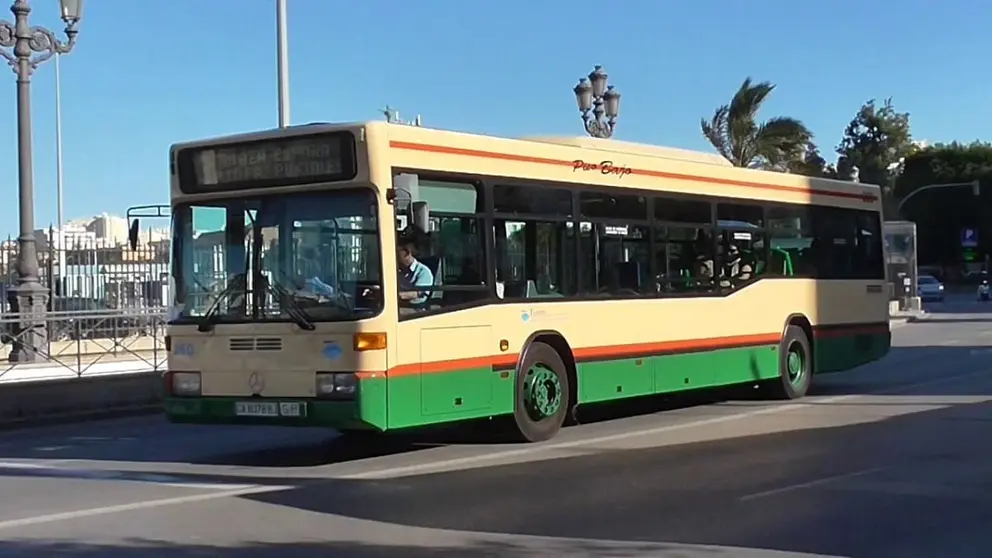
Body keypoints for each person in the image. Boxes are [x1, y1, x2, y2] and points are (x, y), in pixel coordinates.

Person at [397, 239, 434, 307]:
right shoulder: (398, 272)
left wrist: (396, 295)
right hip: (398, 306)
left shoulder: (423, 271)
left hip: (415, 308)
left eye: (397, 254)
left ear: (406, 253)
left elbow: (417, 293)